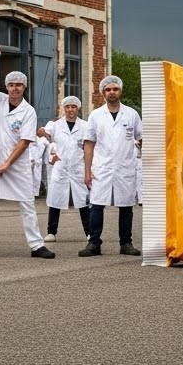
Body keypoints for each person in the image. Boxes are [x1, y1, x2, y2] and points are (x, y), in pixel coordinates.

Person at [0, 71, 54, 259]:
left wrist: (7, 163)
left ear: (24, 87)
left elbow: (24, 141)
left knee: (26, 204)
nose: (14, 88)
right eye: (11, 85)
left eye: (18, 85)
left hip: (17, 165)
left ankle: (36, 245)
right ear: (6, 87)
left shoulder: (28, 111)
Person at [79, 75, 143, 257]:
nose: (112, 92)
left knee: (126, 207)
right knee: (97, 206)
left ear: (120, 91)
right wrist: (87, 171)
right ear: (103, 93)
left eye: (115, 89)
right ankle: (94, 243)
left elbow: (141, 137)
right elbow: (89, 143)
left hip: (125, 167)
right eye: (108, 90)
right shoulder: (96, 115)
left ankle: (126, 243)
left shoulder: (131, 114)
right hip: (102, 168)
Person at [41, 96, 90, 242]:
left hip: (78, 168)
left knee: (84, 202)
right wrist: (43, 132)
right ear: (64, 108)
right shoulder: (55, 125)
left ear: (78, 108)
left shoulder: (85, 126)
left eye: (73, 107)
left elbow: (90, 147)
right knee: (55, 200)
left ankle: (89, 232)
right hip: (61, 168)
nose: (70, 110)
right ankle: (51, 232)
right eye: (67, 107)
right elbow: (47, 136)